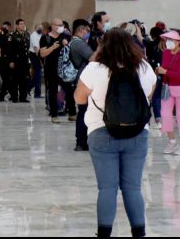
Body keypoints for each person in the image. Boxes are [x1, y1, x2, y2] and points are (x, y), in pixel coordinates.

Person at [74, 28, 156, 239]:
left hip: (102, 133)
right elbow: (148, 96)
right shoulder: (144, 67)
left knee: (107, 188)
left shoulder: (94, 68)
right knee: (133, 187)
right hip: (137, 133)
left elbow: (79, 99)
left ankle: (104, 234)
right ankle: (139, 233)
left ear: (103, 45)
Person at [157, 30, 180, 156]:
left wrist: (165, 72)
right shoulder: (166, 53)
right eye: (167, 40)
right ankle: (172, 141)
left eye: (171, 40)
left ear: (179, 42)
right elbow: (164, 68)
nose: (168, 42)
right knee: (165, 114)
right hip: (167, 88)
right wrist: (161, 72)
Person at [40, 18, 72, 124]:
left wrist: (66, 44)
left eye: (62, 24)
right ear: (53, 26)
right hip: (51, 68)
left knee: (69, 89)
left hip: (65, 68)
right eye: (59, 25)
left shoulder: (66, 36)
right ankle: (54, 114)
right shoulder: (45, 38)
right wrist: (52, 47)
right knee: (53, 91)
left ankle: (72, 113)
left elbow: (71, 49)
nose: (61, 26)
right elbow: (42, 53)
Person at [69, 19, 94, 151]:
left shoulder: (75, 42)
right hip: (82, 81)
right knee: (84, 112)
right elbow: (93, 58)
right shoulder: (79, 44)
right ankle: (81, 141)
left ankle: (81, 140)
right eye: (87, 30)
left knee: (83, 111)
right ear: (81, 30)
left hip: (80, 81)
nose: (88, 33)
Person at [7, 19, 31, 103]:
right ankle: (14, 97)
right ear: (16, 26)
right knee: (15, 79)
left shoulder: (27, 34)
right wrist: (11, 61)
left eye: (23, 24)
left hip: (24, 61)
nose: (23, 25)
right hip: (16, 61)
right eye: (21, 24)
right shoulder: (12, 36)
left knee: (24, 79)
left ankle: (23, 97)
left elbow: (27, 48)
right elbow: (10, 50)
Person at [145, 27, 165, 129]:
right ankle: (158, 120)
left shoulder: (149, 44)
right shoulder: (164, 45)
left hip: (150, 73)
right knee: (157, 97)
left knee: (148, 97)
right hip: (161, 74)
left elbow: (141, 39)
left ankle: (147, 120)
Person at [0, 21, 14, 102]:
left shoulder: (12, 36)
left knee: (7, 78)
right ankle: (12, 94)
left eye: (6, 27)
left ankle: (2, 95)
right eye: (3, 27)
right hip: (2, 59)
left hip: (10, 59)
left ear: (9, 27)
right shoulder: (1, 36)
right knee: (5, 77)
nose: (4, 29)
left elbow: (13, 50)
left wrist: (12, 61)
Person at [29, 23, 44, 99]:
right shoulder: (33, 35)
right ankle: (37, 93)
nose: (40, 29)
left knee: (37, 75)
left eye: (41, 28)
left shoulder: (41, 35)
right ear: (35, 28)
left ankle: (27, 88)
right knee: (38, 75)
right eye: (38, 27)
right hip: (35, 55)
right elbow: (36, 48)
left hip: (39, 55)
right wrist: (41, 60)